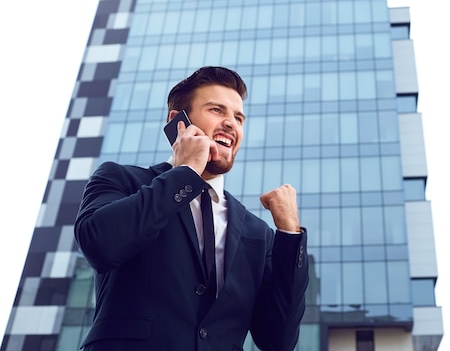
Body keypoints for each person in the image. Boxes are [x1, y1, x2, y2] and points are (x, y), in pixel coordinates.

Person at [75, 66, 308, 351]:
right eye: (216, 110)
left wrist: (290, 234)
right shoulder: (122, 180)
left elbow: (279, 341)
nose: (231, 124)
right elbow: (100, 245)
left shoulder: (256, 232)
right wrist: (185, 172)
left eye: (238, 117)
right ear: (178, 122)